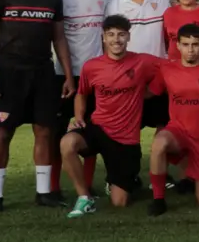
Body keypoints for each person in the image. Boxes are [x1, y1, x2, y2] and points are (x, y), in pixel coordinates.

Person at [0, 0, 75, 213]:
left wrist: (68, 75)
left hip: (43, 73)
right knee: (3, 132)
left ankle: (43, 193)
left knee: (44, 131)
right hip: (9, 74)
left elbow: (59, 38)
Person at [59, 15, 160, 218]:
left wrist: (151, 91)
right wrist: (78, 117)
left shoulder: (142, 61)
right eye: (111, 34)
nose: (116, 39)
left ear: (128, 37)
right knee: (67, 143)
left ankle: (122, 181)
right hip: (99, 127)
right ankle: (84, 197)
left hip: (126, 139)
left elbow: (173, 67)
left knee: (119, 202)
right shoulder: (91, 66)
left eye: (121, 34)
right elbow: (82, 93)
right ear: (103, 38)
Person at [146, 23, 199, 215]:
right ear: (178, 45)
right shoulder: (166, 69)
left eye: (195, 44)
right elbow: (148, 93)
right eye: (186, 44)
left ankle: (196, 170)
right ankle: (158, 199)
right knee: (159, 143)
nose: (190, 49)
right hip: (178, 132)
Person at [52, 0, 107, 202]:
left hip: (94, 76)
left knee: (91, 130)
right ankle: (53, 188)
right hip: (64, 76)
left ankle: (87, 184)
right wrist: (66, 74)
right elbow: (57, 36)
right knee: (57, 132)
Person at [105, 0, 171, 156]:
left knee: (164, 125)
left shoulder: (162, 1)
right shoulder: (113, 5)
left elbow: (172, 36)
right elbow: (108, 43)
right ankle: (127, 168)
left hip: (159, 75)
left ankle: (158, 166)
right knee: (128, 128)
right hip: (128, 78)